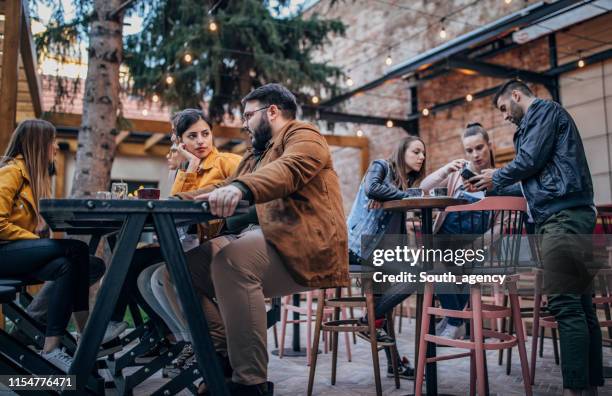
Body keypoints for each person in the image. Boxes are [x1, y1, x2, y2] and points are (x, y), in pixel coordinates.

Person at [171, 83, 348, 396]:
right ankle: (222, 355)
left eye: (249, 115)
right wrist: (169, 204)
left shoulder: (303, 135)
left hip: (308, 245)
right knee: (180, 268)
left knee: (232, 262)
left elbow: (288, 169)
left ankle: (250, 384)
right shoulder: (255, 156)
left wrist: (241, 189)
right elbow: (218, 187)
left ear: (273, 112)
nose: (244, 123)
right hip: (275, 240)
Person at [471, 79, 602, 396]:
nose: (504, 116)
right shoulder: (544, 120)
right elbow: (534, 178)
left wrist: (497, 175)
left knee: (565, 303)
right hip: (570, 215)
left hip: (562, 219)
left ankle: (576, 388)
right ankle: (589, 386)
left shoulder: (542, 111)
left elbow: (528, 162)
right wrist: (490, 184)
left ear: (516, 96)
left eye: (504, 108)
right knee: (581, 304)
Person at [129, 109, 241, 370]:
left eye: (205, 134)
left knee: (167, 275)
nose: (201, 141)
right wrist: (188, 165)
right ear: (179, 140)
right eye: (192, 136)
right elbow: (174, 205)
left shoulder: (227, 161)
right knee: (147, 278)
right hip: (196, 244)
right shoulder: (188, 167)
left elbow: (247, 188)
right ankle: (187, 340)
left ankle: (204, 343)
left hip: (224, 242)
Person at [0, 119, 98, 372]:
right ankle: (82, 332)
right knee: (76, 250)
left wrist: (37, 231)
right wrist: (35, 240)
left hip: (12, 253)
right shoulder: (11, 172)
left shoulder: (32, 178)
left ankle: (53, 347)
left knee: (73, 265)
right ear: (38, 144)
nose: (55, 147)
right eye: (51, 141)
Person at [345, 135, 425, 378]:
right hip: (358, 249)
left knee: (382, 307)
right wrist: (402, 196)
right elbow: (372, 188)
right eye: (416, 152)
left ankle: (389, 356)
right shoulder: (381, 166)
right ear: (402, 153)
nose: (422, 157)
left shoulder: (398, 187)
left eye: (423, 153)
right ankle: (370, 319)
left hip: (377, 252)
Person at [420, 122, 496, 339]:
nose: (475, 155)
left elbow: (502, 225)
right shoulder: (456, 175)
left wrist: (478, 244)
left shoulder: (499, 179)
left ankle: (453, 319)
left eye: (479, 148)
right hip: (446, 241)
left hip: (477, 245)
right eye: (469, 150)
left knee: (448, 263)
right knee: (431, 257)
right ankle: (455, 319)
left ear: (489, 145)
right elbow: (424, 187)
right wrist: (446, 168)